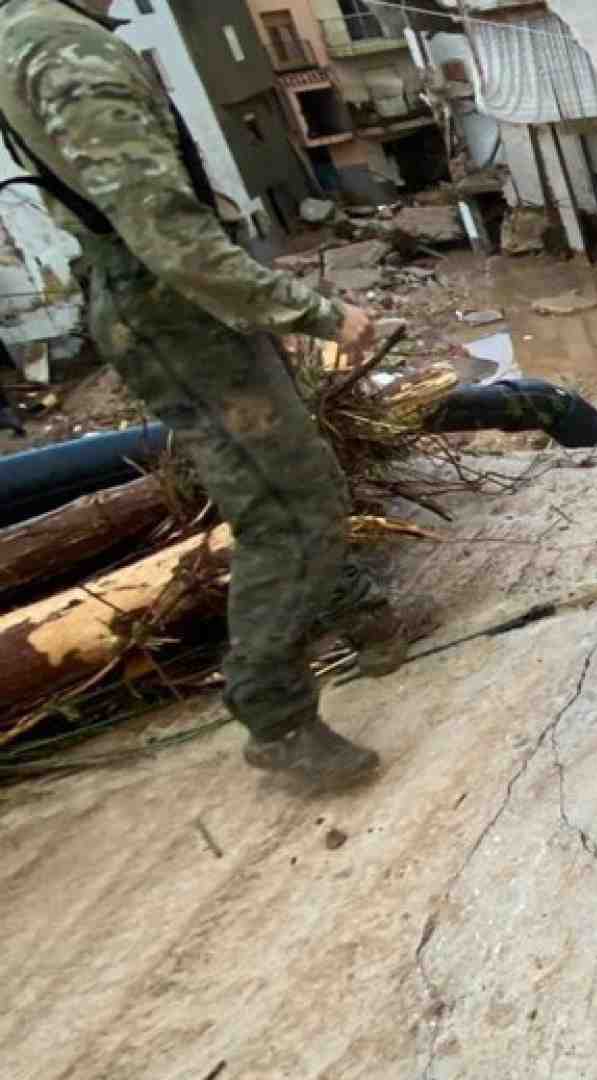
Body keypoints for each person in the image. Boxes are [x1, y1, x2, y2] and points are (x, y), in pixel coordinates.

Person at [0, 0, 390, 789]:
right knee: (284, 509)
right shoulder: (60, 45)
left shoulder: (34, 34)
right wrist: (314, 312)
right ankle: (277, 716)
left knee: (294, 475)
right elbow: (169, 234)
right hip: (180, 317)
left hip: (179, 312)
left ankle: (356, 610)